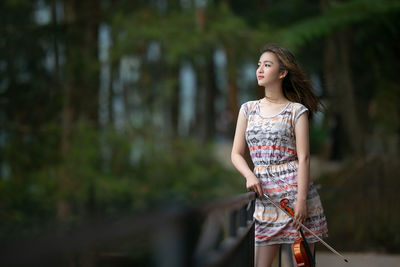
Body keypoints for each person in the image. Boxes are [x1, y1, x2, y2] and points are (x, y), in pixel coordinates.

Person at [231, 44, 328, 267]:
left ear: (282, 73)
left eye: (267, 65)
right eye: (259, 65)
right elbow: (236, 154)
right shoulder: (247, 109)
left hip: (296, 195)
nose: (260, 70)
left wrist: (302, 201)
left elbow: (303, 158)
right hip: (266, 198)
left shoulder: (297, 111)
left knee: (301, 263)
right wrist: (249, 175)